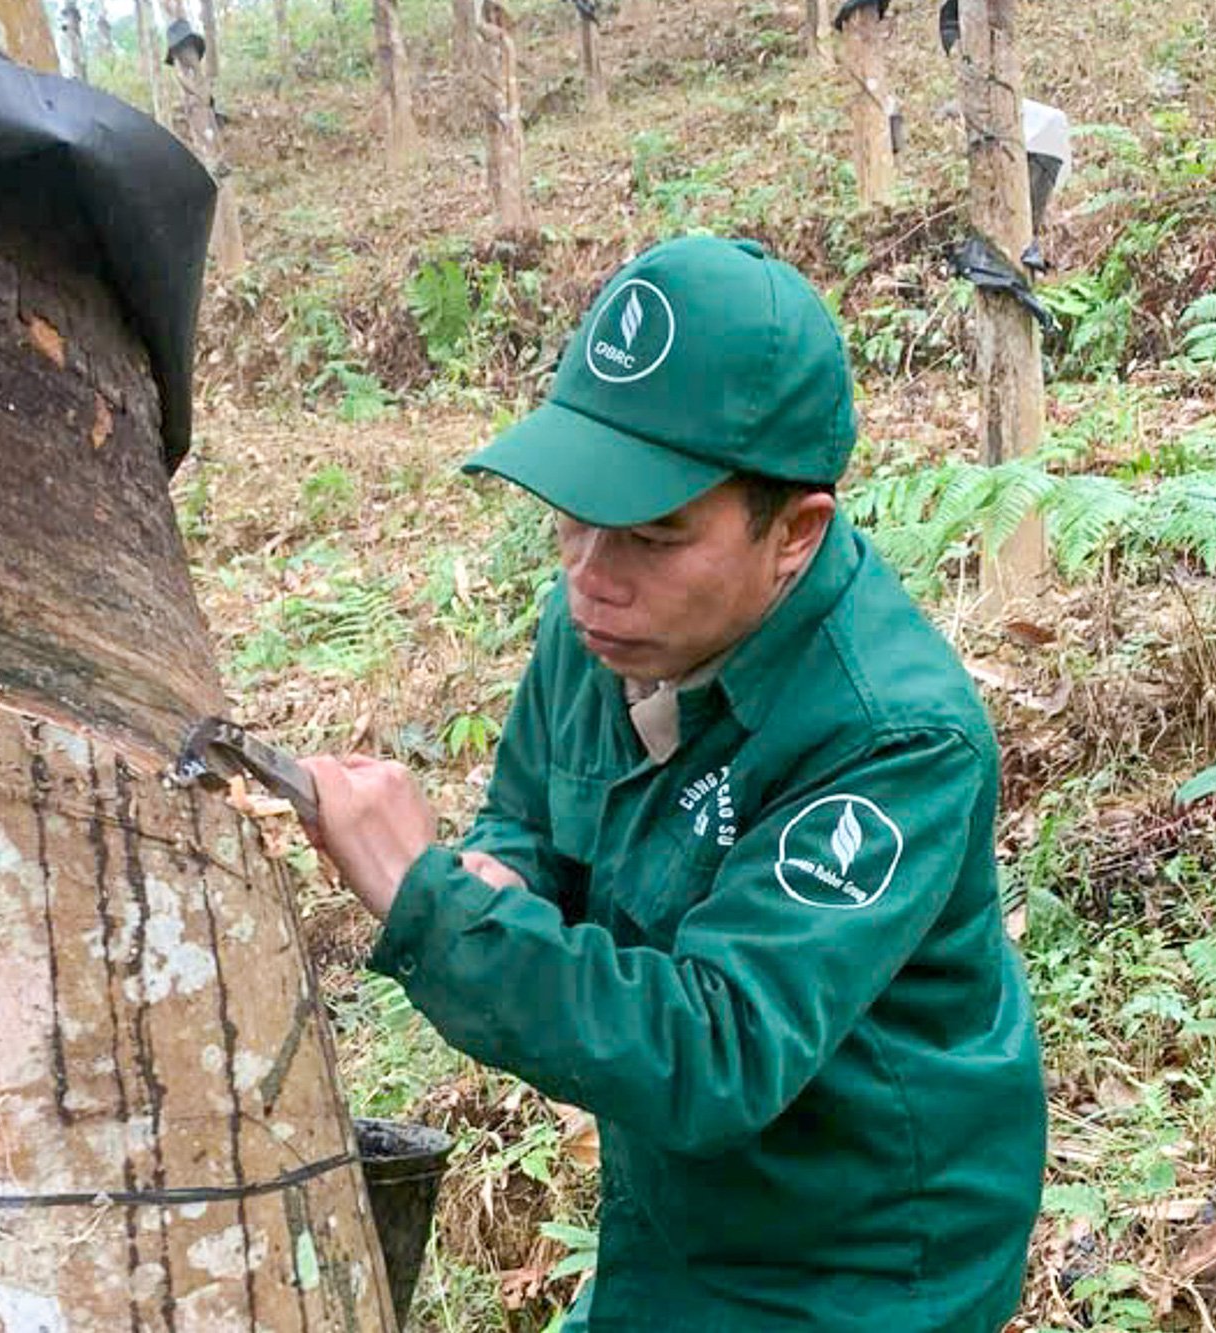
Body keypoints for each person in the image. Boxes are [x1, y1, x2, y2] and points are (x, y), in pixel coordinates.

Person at [302, 236, 1045, 1331]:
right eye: (574, 513)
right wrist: (497, 877)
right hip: (673, 1210)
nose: (591, 576)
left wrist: (432, 901)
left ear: (792, 532)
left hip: (859, 1255)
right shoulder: (600, 625)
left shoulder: (891, 741)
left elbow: (718, 1048)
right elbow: (528, 816)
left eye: (653, 533)